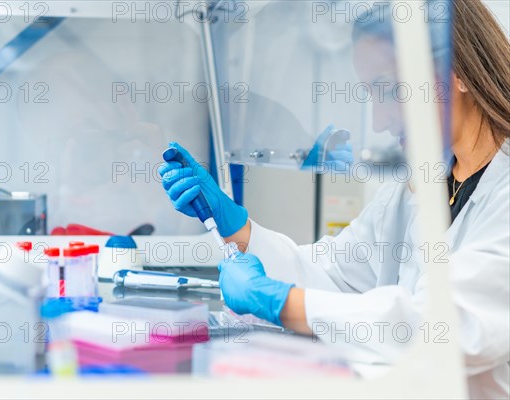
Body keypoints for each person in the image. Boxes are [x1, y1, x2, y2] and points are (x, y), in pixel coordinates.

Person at [159, 0, 509, 398]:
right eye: (371, 94)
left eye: (390, 89)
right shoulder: (412, 191)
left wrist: (283, 304)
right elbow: (334, 277)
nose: (379, 119)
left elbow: (450, 329)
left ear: (456, 73)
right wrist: (236, 227)